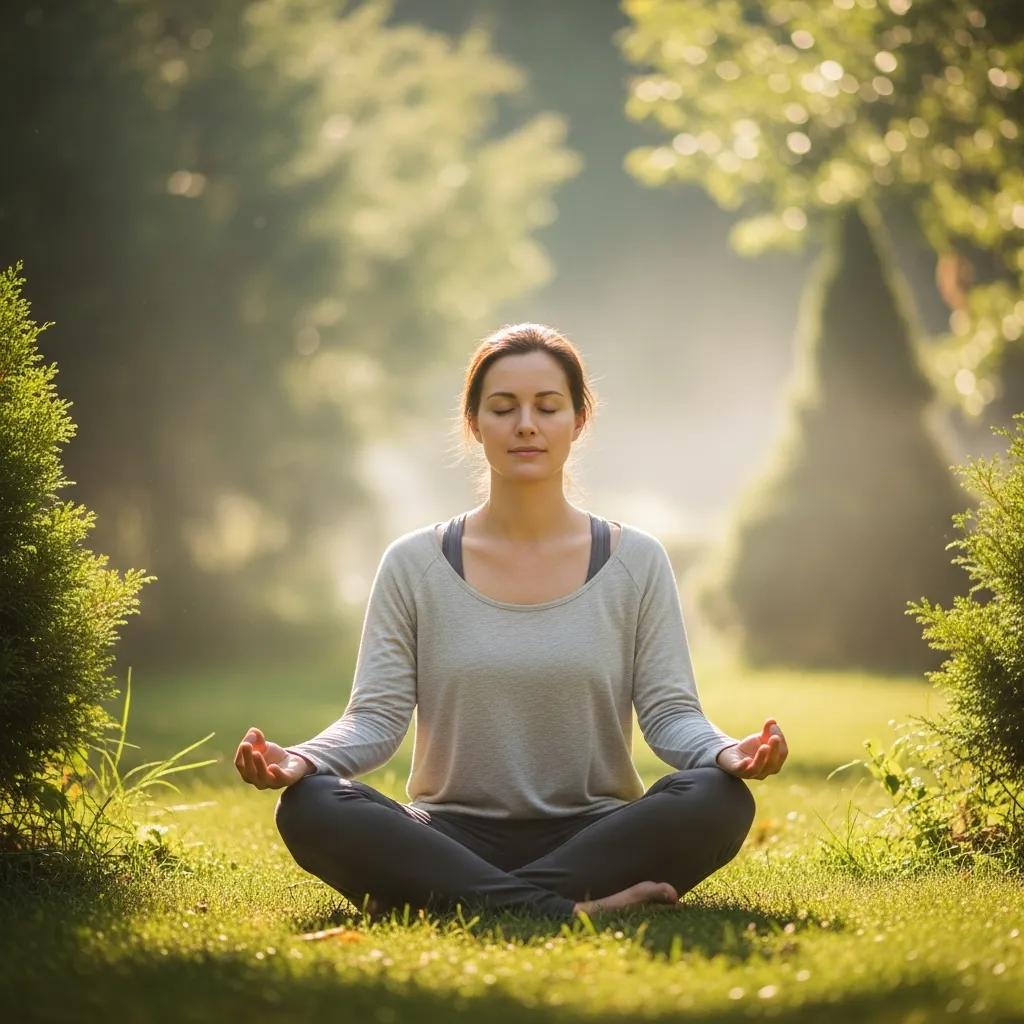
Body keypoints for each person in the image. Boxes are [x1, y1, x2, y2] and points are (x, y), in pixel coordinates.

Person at [235, 323, 788, 923]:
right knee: (311, 803)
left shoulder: (637, 561)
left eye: (547, 407)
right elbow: (375, 717)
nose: (526, 424)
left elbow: (670, 713)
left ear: (578, 420)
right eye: (503, 408)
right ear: (474, 423)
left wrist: (723, 752)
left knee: (717, 798)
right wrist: (303, 760)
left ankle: (448, 897)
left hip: (593, 836)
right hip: (448, 834)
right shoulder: (413, 563)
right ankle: (566, 909)